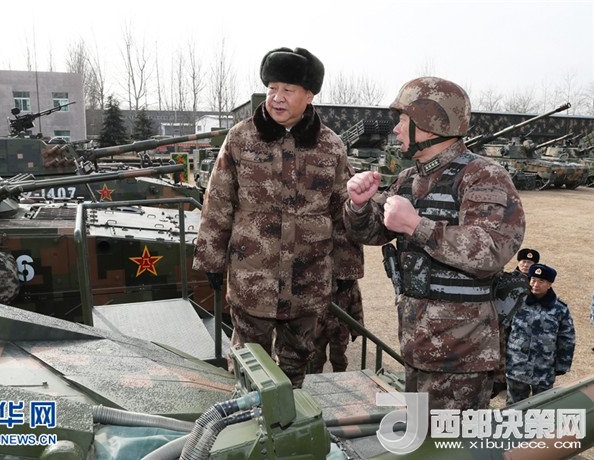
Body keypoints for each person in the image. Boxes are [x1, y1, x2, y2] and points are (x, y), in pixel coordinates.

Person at [343, 76, 525, 410]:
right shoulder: (410, 178)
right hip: (417, 343)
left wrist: (417, 226)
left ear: (429, 125)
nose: (396, 129)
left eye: (403, 120)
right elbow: (372, 232)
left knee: (452, 438)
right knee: (422, 433)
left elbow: (491, 250)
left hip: (461, 355)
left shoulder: (483, 175)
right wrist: (358, 205)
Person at [192, 47, 364, 388]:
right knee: (247, 367)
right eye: (272, 88)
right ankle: (245, 416)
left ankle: (293, 417)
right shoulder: (241, 138)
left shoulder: (330, 146)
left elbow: (341, 210)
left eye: (288, 89)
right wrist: (211, 258)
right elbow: (218, 201)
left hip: (307, 282)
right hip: (253, 279)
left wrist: (347, 269)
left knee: (298, 366)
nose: (277, 97)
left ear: (309, 95)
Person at [506, 264, 575, 404]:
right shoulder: (517, 302)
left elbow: (567, 338)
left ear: (549, 284)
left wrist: (562, 365)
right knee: (513, 409)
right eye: (533, 280)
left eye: (541, 281)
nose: (535, 284)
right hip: (517, 366)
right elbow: (505, 330)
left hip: (543, 369)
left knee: (542, 408)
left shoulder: (559, 309)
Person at [490, 247, 539, 397]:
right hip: (505, 322)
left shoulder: (536, 284)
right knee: (501, 350)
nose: (526, 265)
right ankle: (498, 381)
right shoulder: (508, 278)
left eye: (530, 262)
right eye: (524, 261)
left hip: (523, 325)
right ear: (518, 262)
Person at [311, 279, 363, 373]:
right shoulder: (317, 273)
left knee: (339, 359)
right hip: (319, 326)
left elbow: (355, 300)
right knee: (315, 359)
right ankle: (313, 380)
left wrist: (357, 327)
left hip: (340, 326)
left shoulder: (348, 278)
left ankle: (340, 377)